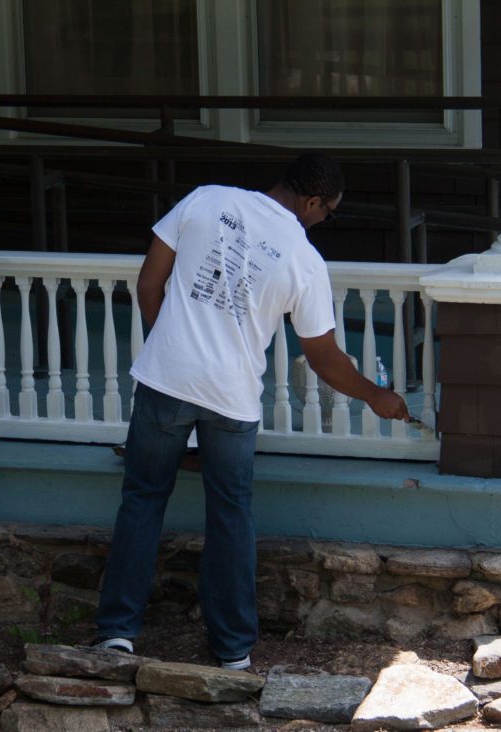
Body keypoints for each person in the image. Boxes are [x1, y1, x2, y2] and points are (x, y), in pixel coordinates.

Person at [94, 153, 409, 669]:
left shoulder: (206, 199)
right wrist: (373, 394)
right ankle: (233, 649)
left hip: (166, 380)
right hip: (231, 399)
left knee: (143, 500)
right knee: (230, 514)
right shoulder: (304, 260)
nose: (323, 220)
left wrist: (172, 345)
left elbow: (148, 285)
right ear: (312, 202)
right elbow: (323, 357)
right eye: (328, 212)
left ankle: (117, 633)